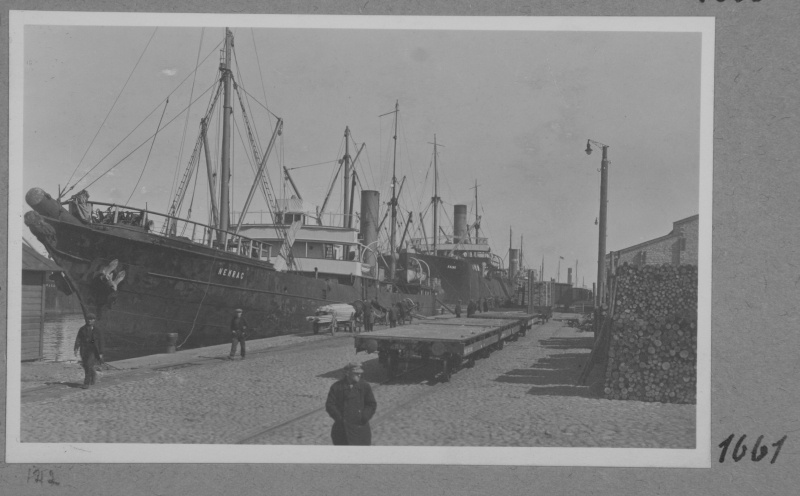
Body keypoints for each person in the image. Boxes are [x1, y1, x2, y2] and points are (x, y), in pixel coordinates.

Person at [325, 362, 377, 446]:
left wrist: (364, 417)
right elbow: (330, 405)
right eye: (356, 373)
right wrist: (340, 419)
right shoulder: (336, 387)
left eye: (360, 373)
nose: (359, 375)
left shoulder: (364, 386)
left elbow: (371, 404)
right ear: (347, 373)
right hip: (342, 430)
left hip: (361, 428)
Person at [73, 313, 104, 389]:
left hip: (93, 350)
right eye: (88, 319)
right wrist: (76, 348)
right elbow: (78, 339)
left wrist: (101, 352)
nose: (89, 320)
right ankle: (93, 375)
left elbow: (101, 342)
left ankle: (86, 383)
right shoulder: (82, 329)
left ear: (94, 320)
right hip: (84, 350)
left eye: (91, 319)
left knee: (88, 365)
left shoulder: (97, 330)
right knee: (86, 365)